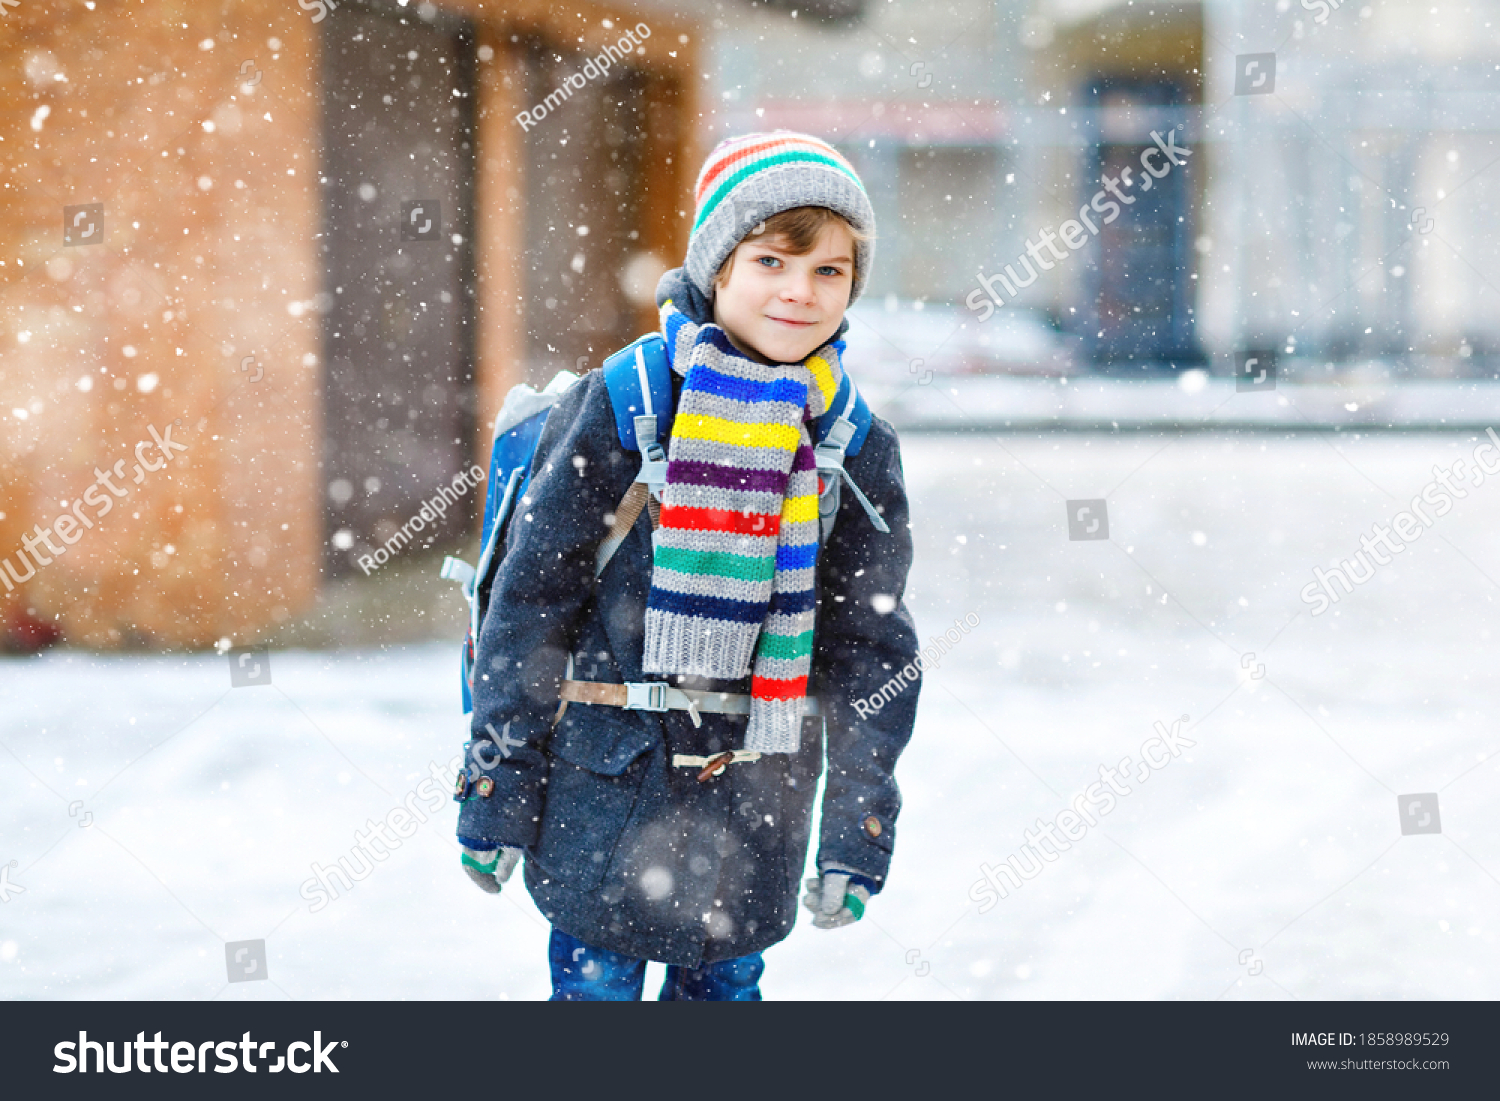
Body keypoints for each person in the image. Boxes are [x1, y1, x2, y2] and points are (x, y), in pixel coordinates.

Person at [452, 131, 920, 1000]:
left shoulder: (853, 445)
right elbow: (531, 603)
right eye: (773, 259)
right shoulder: (626, 402)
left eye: (830, 271)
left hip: (755, 808)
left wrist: (858, 828)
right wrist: (495, 788)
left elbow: (872, 653)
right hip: (602, 790)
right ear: (717, 267)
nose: (799, 291)